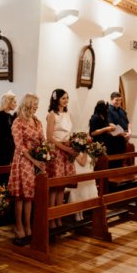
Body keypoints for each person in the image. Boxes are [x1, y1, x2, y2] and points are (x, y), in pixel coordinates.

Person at [8, 93, 45, 239]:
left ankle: (29, 225)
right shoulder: (18, 121)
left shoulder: (37, 121)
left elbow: (43, 140)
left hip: (37, 160)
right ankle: (19, 226)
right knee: (20, 196)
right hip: (23, 161)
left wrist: (45, 154)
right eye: (34, 104)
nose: (36, 107)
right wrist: (33, 160)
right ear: (28, 104)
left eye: (37, 105)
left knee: (30, 197)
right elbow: (19, 146)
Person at [46, 89, 75, 228]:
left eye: (67, 98)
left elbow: (70, 133)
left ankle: (59, 217)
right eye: (63, 98)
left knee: (62, 187)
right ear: (56, 99)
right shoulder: (52, 115)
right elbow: (50, 138)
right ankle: (50, 219)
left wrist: (75, 145)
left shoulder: (69, 114)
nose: (66, 100)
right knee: (54, 187)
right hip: (57, 152)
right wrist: (65, 148)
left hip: (67, 152)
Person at [0, 91, 17, 184]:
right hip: (1, 149)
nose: (16, 104)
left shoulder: (10, 116)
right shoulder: (1, 115)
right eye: (14, 102)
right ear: (8, 102)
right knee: (0, 176)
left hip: (8, 148)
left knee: (6, 175)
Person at [68, 151, 98, 222]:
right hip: (80, 173)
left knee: (85, 194)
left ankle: (82, 213)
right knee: (79, 194)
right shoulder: (75, 151)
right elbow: (83, 163)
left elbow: (92, 162)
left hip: (88, 173)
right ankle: (77, 213)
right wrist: (85, 151)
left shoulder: (88, 151)